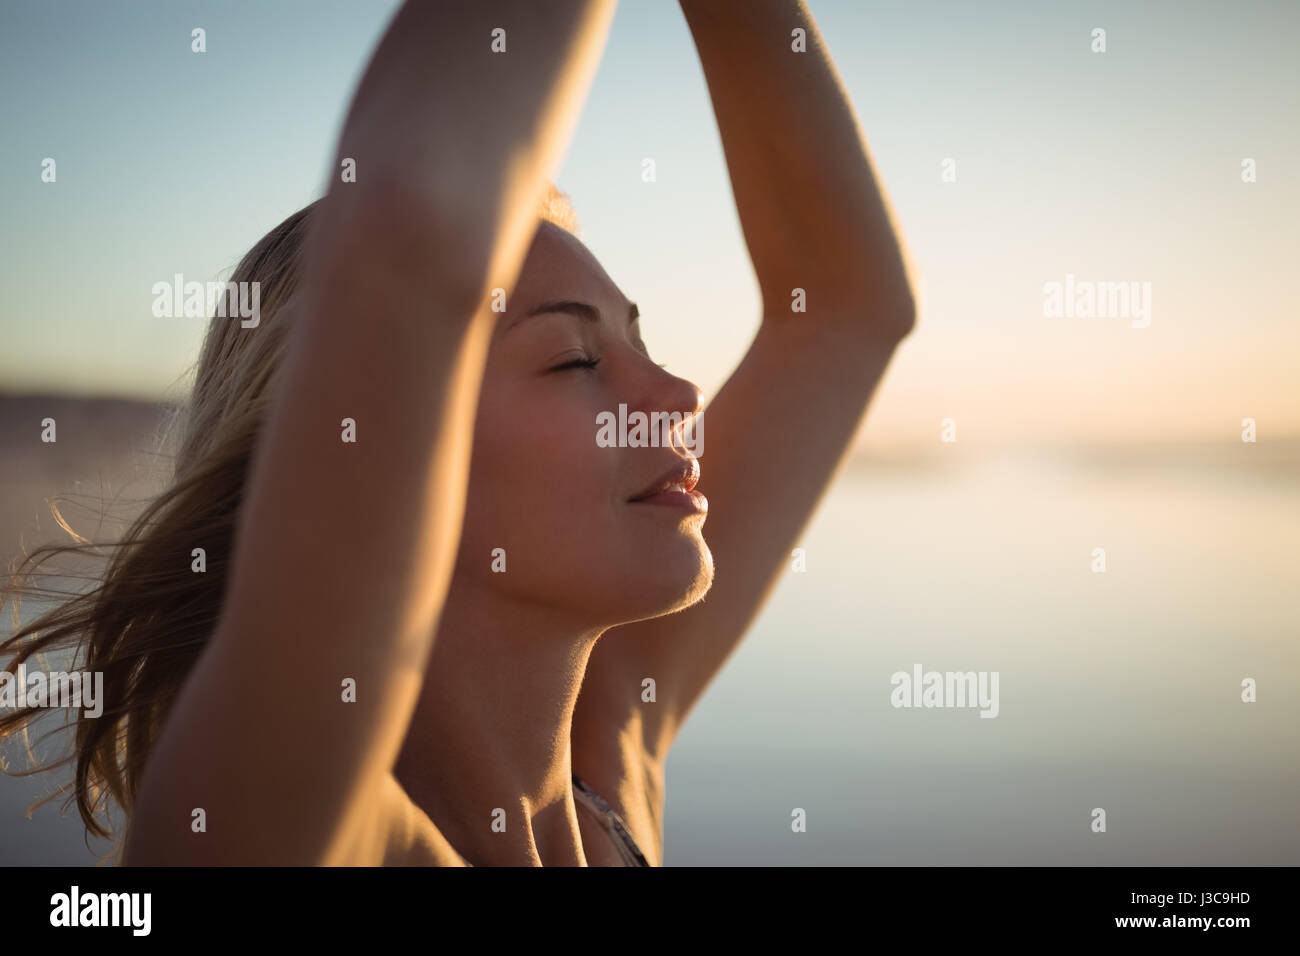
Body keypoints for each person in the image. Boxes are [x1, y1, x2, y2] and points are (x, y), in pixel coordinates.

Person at [1, 0, 914, 866]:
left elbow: (847, 307)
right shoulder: (291, 820)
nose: (678, 394)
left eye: (640, 341)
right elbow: (419, 203)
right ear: (391, 457)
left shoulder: (609, 782)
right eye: (572, 360)